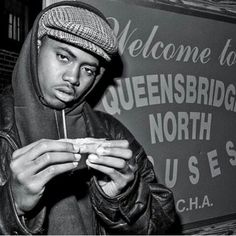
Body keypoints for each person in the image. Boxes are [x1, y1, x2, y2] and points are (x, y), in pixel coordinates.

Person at [0, 1, 177, 235]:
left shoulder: (109, 132)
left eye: (88, 70)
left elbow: (163, 223)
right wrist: (11, 204)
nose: (73, 77)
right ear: (37, 47)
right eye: (64, 56)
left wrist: (124, 196)